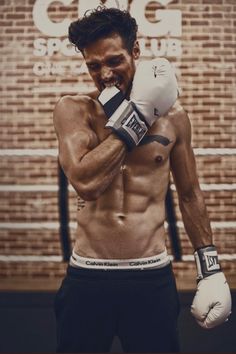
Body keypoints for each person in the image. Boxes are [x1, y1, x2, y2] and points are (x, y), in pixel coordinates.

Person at [53, 6, 232, 353]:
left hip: (150, 276)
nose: (104, 73)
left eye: (114, 60)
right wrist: (139, 113)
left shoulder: (175, 119)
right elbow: (86, 184)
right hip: (88, 276)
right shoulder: (74, 110)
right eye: (93, 65)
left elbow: (191, 195)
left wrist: (210, 271)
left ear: (135, 51)